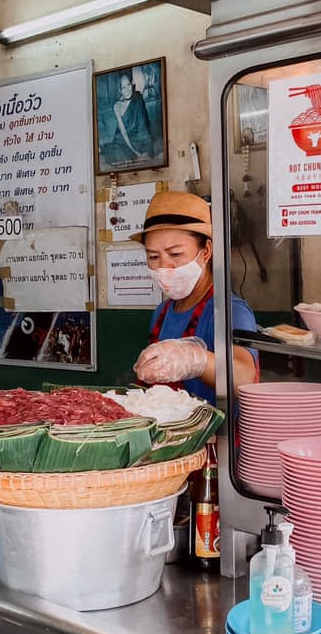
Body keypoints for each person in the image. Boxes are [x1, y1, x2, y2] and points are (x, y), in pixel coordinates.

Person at [132, 192, 257, 403]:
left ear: (206, 251)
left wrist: (195, 360)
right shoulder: (161, 313)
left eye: (175, 254)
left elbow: (246, 379)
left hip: (216, 434)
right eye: (153, 256)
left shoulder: (230, 310)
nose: (164, 266)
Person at [109, 73, 152, 164]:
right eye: (123, 87)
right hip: (122, 141)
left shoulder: (138, 97)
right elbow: (123, 132)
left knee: (148, 157)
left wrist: (145, 148)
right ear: (120, 90)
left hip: (136, 137)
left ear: (132, 85)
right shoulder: (117, 106)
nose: (127, 90)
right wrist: (136, 152)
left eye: (128, 85)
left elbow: (143, 126)